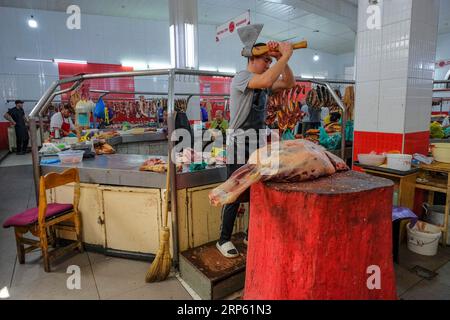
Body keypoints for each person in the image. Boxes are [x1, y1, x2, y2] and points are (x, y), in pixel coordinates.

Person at [216, 39, 296, 258]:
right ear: (252, 59)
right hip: (238, 145)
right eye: (265, 60)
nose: (268, 64)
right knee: (235, 192)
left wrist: (282, 59)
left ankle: (251, 234)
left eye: (270, 61)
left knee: (256, 193)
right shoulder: (242, 77)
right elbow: (268, 79)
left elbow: (289, 83)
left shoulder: (264, 82)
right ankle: (223, 239)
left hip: (257, 147)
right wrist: (285, 56)